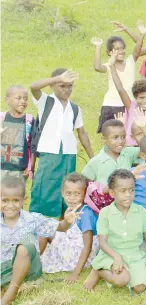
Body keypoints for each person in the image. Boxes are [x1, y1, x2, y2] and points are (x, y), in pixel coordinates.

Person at [1, 177, 81, 305]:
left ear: (24, 200)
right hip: (4, 269)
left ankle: (11, 293)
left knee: (26, 242)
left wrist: (67, 221)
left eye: (16, 201)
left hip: (28, 269)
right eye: (5, 201)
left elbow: (60, 227)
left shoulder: (32, 219)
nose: (10, 205)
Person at [29, 69, 93, 217]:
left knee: (68, 189)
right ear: (52, 85)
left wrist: (92, 158)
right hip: (49, 152)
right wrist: (57, 78)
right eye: (62, 86)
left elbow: (81, 133)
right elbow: (33, 87)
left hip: (69, 154)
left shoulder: (75, 108)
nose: (67, 89)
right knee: (44, 187)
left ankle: (65, 223)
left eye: (70, 86)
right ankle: (38, 222)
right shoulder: (45, 101)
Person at [83, 169, 146, 294]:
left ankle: (120, 270)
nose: (128, 194)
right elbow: (102, 242)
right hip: (110, 254)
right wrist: (116, 257)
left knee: (140, 288)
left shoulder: (141, 211)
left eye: (131, 190)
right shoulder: (105, 213)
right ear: (112, 193)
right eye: (123, 191)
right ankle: (99, 270)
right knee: (121, 280)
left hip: (134, 256)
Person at [40, 173, 99, 280]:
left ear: (84, 194)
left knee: (44, 232)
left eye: (77, 194)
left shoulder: (86, 213)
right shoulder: (71, 209)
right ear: (62, 193)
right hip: (71, 246)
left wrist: (76, 273)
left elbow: (88, 246)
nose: (72, 198)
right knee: (41, 230)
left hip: (78, 256)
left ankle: (31, 266)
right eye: (68, 193)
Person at [92, 21, 145, 133]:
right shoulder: (109, 66)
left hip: (127, 104)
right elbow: (97, 67)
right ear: (110, 52)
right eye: (117, 49)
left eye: (122, 48)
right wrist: (98, 47)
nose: (121, 51)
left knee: (125, 133)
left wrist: (141, 34)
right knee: (109, 134)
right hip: (110, 105)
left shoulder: (130, 62)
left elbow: (138, 47)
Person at [109, 52, 146, 146]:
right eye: (141, 98)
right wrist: (112, 66)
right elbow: (120, 89)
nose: (145, 101)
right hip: (128, 149)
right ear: (135, 98)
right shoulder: (132, 106)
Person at [82, 119, 144, 185]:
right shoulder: (95, 162)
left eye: (123, 137)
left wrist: (144, 128)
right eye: (115, 137)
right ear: (104, 139)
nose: (120, 141)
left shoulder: (128, 153)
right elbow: (84, 184)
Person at [1, 85, 33, 180]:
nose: (23, 101)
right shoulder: (1, 118)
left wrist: (30, 167)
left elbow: (32, 146)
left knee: (17, 194)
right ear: (7, 100)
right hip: (1, 169)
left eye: (25, 99)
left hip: (20, 170)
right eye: (18, 98)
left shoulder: (29, 121)